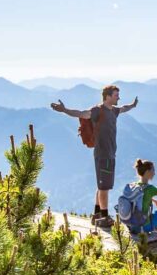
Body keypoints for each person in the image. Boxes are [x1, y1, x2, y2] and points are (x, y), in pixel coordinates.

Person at [51, 85, 138, 227]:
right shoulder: (97, 111)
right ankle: (104, 217)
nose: (118, 98)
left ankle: (97, 214)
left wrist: (133, 105)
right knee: (104, 188)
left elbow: (124, 108)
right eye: (116, 95)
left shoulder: (114, 111)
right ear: (107, 96)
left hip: (110, 153)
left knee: (102, 185)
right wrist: (64, 110)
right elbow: (81, 113)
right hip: (103, 154)